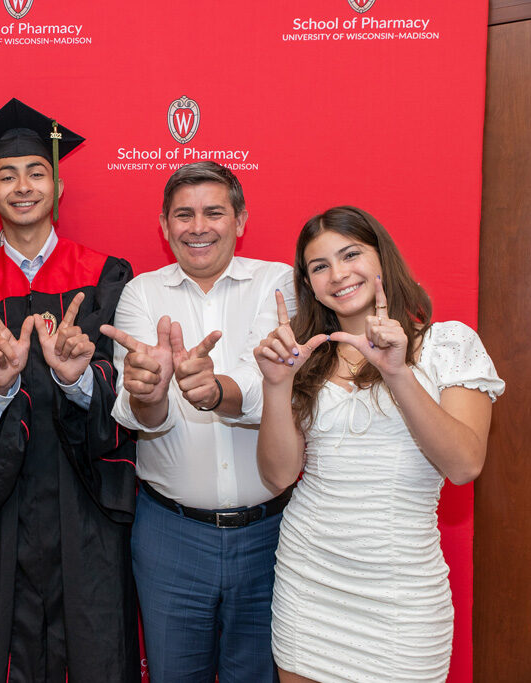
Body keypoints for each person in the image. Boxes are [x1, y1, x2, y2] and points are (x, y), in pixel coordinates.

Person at [0, 98, 140, 683]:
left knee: (98, 652)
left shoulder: (106, 277)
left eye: (36, 172)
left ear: (58, 185)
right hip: (4, 500)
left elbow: (130, 394)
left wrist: (78, 381)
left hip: (87, 502)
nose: (22, 186)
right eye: (6, 175)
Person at [254, 206, 504, 682]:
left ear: (381, 258)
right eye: (319, 266)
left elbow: (464, 464)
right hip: (309, 580)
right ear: (309, 285)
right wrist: (275, 386)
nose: (338, 274)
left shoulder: (447, 344)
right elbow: (278, 476)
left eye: (351, 254)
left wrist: (397, 372)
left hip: (400, 592)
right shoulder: (304, 356)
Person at [101, 161, 294, 682]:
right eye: (183, 215)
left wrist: (215, 392)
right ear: (164, 227)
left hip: (272, 533)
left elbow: (269, 389)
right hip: (170, 533)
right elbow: (139, 414)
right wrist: (149, 393)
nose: (198, 226)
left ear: (240, 219)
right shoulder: (142, 294)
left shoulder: (278, 283)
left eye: (214, 212)